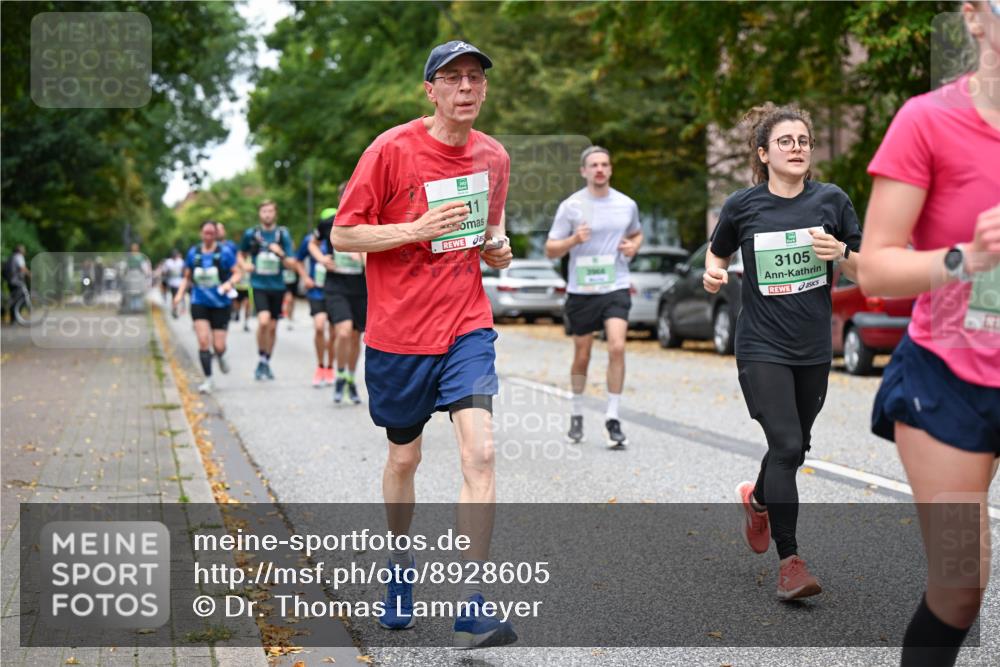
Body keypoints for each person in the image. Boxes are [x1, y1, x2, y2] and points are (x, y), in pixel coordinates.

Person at [331, 40, 517, 648]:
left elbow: (491, 233)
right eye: (452, 78)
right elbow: (342, 234)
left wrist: (499, 248)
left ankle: (472, 598)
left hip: (466, 323)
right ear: (430, 90)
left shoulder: (494, 157)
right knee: (404, 459)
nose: (466, 87)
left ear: (484, 91)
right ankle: (399, 570)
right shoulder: (391, 150)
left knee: (480, 455)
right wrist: (413, 229)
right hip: (398, 336)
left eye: (475, 78)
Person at [858, 3, 999, 664]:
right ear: (975, 19)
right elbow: (877, 267)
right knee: (959, 583)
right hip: (950, 380)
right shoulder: (927, 120)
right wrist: (964, 259)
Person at [704, 103, 861, 600]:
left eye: (803, 141)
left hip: (813, 349)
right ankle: (790, 563)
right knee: (789, 447)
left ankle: (758, 500)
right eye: (786, 141)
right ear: (764, 153)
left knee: (792, 447)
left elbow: (866, 269)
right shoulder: (743, 206)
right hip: (761, 346)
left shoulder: (832, 201)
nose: (797, 149)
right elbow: (718, 252)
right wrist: (711, 273)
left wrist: (843, 255)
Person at [545, 146, 642, 448]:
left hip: (615, 284)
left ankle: (612, 417)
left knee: (617, 346)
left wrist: (633, 247)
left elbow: (637, 233)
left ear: (610, 170)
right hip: (582, 290)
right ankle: (576, 411)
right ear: (584, 171)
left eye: (604, 164)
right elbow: (550, 249)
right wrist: (574, 239)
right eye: (593, 165)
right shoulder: (571, 206)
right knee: (583, 355)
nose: (599, 169)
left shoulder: (626, 205)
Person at [174, 221, 240, 393]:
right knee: (203, 341)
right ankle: (209, 380)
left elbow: (238, 273)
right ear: (201, 233)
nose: (209, 236)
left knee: (218, 346)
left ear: (216, 234)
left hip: (221, 304)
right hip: (199, 302)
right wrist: (180, 294)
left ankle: (221, 355)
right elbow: (187, 277)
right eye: (206, 232)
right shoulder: (193, 253)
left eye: (212, 233)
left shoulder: (224, 252)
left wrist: (229, 283)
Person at [313, 201, 367, 405]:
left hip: (360, 288)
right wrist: (321, 258)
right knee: (343, 331)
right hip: (336, 286)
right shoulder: (329, 223)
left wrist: (361, 255)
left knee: (355, 336)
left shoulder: (367, 222)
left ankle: (350, 380)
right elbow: (313, 243)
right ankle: (339, 375)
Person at [239, 200, 295, 380]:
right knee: (263, 321)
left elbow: (292, 264)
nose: (267, 215)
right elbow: (241, 254)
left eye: (270, 211)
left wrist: (281, 253)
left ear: (275, 214)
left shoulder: (282, 234)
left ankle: (265, 361)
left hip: (278, 286)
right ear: (259, 214)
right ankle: (262, 358)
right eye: (264, 211)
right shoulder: (252, 234)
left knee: (272, 327)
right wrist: (244, 265)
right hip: (259, 285)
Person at [297, 220, 335, 387]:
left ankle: (330, 367)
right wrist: (305, 278)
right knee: (319, 327)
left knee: (334, 333)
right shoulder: (310, 240)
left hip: (336, 290)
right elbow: (298, 260)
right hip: (316, 291)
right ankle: (320, 365)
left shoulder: (340, 237)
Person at [217, 222, 251, 330]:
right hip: (217, 282)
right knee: (234, 303)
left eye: (221, 229)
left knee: (246, 303)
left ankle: (245, 323)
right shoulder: (205, 247)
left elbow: (238, 259)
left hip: (233, 281)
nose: (219, 231)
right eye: (217, 229)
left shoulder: (231, 246)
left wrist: (242, 269)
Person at [3, 244, 29, 323]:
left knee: (14, 299)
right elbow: (22, 268)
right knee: (20, 299)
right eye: (23, 249)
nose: (24, 250)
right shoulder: (19, 257)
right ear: (20, 250)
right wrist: (30, 274)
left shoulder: (12, 257)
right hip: (17, 282)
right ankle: (16, 318)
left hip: (10, 281)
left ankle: (13, 319)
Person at [281, 235, 301, 331]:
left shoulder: (296, 255)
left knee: (292, 300)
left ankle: (291, 315)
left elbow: (299, 267)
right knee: (288, 299)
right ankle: (287, 318)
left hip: (294, 281)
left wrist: (294, 267)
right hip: (285, 281)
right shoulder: (283, 254)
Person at [163, 249, 186, 318]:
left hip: (180, 281)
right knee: (174, 296)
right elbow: (164, 271)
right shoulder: (168, 262)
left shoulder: (181, 262)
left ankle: (180, 308)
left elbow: (185, 271)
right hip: (172, 282)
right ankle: (175, 309)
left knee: (181, 295)